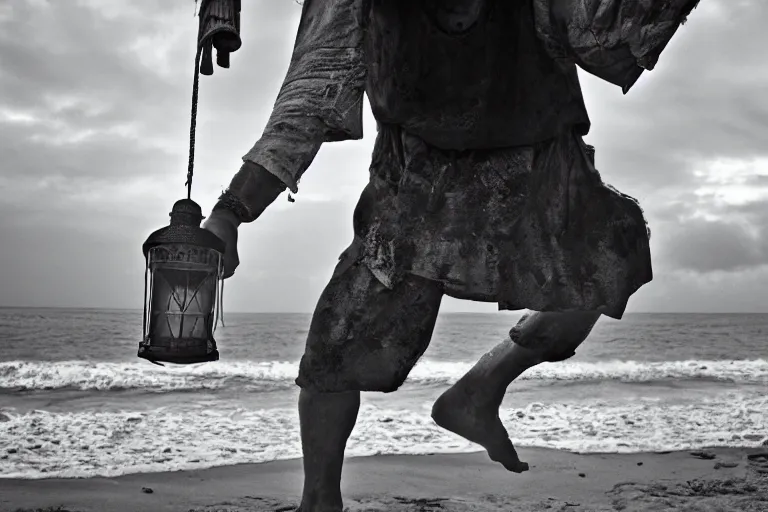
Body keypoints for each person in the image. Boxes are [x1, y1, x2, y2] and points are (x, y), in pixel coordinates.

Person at [202, 0, 700, 510]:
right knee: (337, 346)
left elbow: (608, 32)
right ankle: (320, 500)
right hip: (414, 182)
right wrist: (231, 213)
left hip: (541, 172)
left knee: (611, 258)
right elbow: (310, 100)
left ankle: (479, 390)